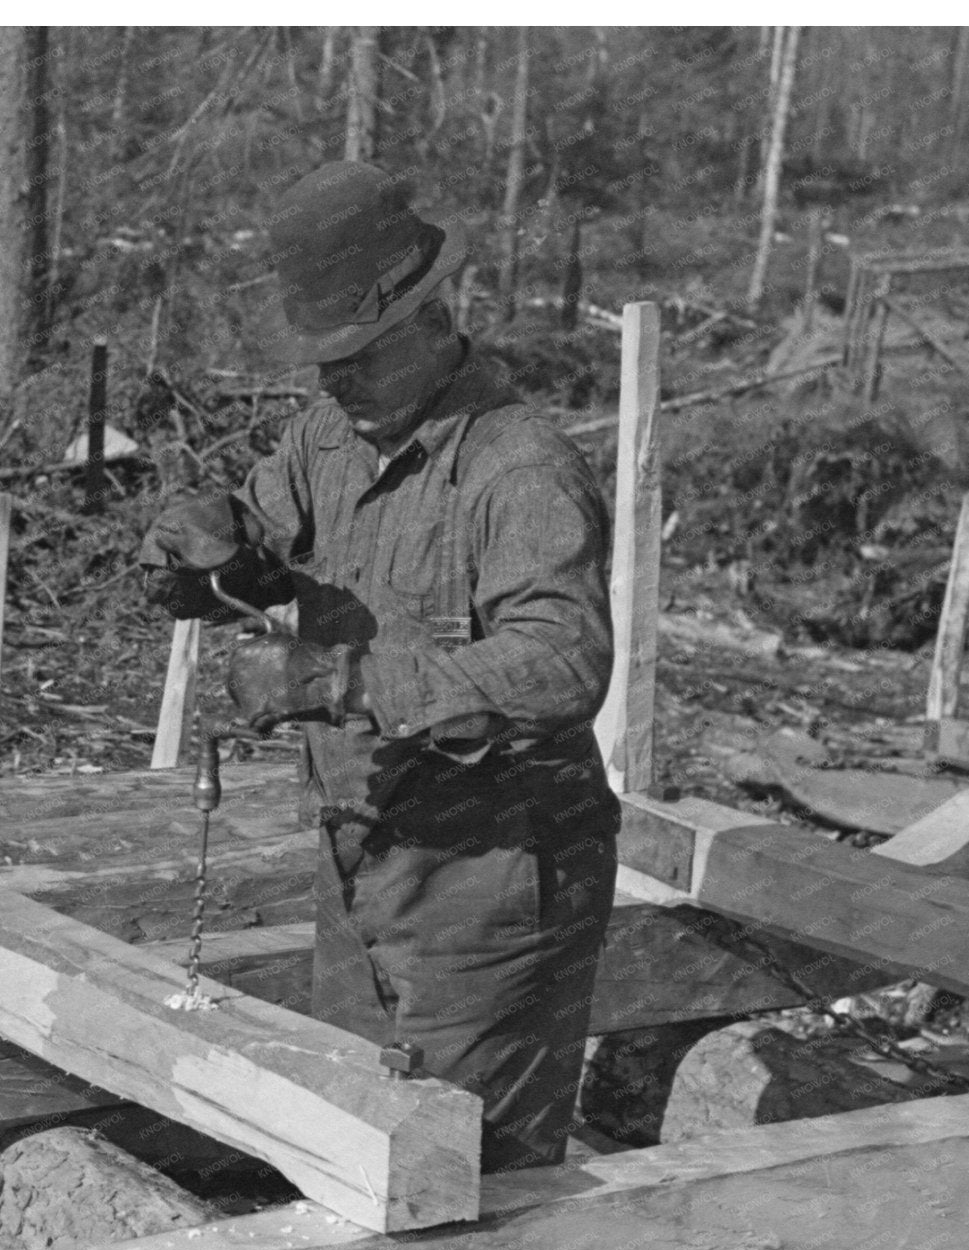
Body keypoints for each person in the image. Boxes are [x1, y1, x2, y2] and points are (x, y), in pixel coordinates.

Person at [138, 161, 622, 1172]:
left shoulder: (518, 467)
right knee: (350, 1147)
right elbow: (259, 541)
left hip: (493, 876)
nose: (329, 378)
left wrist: (332, 681)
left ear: (428, 317)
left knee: (465, 1178)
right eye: (319, 357)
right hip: (361, 850)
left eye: (353, 354)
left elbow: (559, 665)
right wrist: (200, 548)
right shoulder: (331, 432)